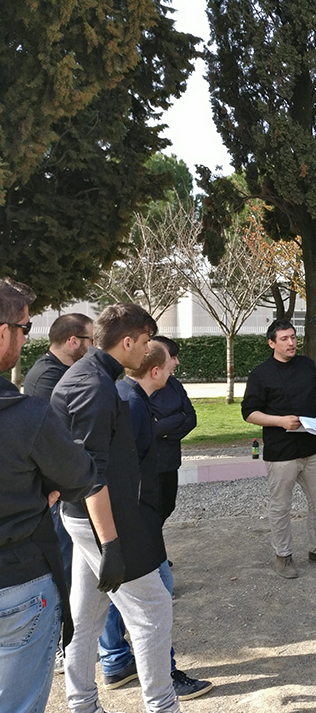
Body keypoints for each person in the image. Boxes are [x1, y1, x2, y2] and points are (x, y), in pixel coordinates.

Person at [51, 303, 181, 713]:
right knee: (152, 609)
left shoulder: (91, 376)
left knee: (86, 615)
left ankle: (82, 703)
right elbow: (92, 473)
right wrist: (111, 545)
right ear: (127, 341)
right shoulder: (94, 386)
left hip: (89, 517)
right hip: (98, 520)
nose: (148, 351)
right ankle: (163, 706)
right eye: (144, 342)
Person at [97, 340, 213, 700]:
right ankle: (163, 676)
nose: (176, 367)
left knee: (118, 597)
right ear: (156, 370)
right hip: (135, 527)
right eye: (172, 364)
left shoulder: (131, 396)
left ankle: (118, 664)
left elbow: (186, 419)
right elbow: (121, 475)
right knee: (155, 599)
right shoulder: (130, 403)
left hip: (137, 522)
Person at [0, 278, 96, 713]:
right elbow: (78, 475)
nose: (26, 336)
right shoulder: (25, 411)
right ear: (4, 332)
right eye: (25, 327)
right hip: (18, 580)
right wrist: (46, 487)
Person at [242, 319, 316, 579]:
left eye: (293, 337)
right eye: (284, 339)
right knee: (281, 506)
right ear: (271, 343)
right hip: (281, 452)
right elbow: (249, 413)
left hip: (312, 447)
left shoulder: (306, 365)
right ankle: (283, 555)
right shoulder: (261, 374)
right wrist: (280, 421)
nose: (291, 343)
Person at [22, 312, 94, 672]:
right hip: (56, 490)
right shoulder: (48, 377)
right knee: (65, 564)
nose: (92, 347)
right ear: (72, 341)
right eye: (89, 340)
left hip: (61, 483)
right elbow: (66, 431)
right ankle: (64, 644)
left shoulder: (56, 371)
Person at [149, 335, 197, 525]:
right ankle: (151, 554)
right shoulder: (137, 390)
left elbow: (191, 418)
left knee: (167, 506)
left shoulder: (174, 384)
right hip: (150, 465)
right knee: (149, 514)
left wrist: (166, 430)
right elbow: (149, 428)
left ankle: (154, 552)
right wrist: (177, 418)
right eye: (174, 357)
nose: (177, 362)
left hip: (170, 461)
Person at [23, 313, 94, 401]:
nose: (95, 346)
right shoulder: (47, 377)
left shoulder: (62, 370)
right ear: (74, 342)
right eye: (92, 340)